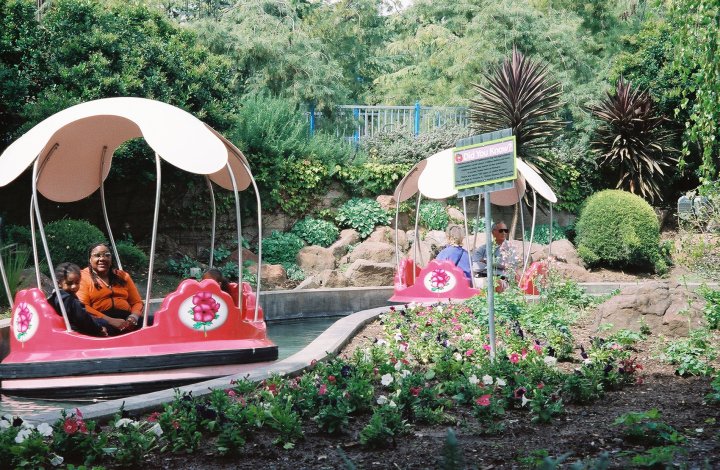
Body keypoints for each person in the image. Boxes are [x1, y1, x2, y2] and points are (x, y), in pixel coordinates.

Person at [77, 242, 144, 336]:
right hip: (101, 319)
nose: (102, 259)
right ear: (90, 259)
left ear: (111, 258)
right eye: (97, 255)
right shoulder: (83, 277)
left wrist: (133, 317)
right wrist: (110, 320)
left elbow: (137, 302)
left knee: (150, 322)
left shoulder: (123, 276)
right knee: (102, 328)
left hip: (127, 318)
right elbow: (83, 307)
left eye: (106, 255)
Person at [48, 262, 108, 337]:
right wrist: (98, 329)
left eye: (77, 283)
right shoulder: (65, 298)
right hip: (75, 331)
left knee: (101, 321)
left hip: (76, 326)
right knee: (105, 324)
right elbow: (81, 317)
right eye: (69, 283)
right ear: (58, 283)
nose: (74, 286)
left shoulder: (62, 295)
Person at [472, 221, 519, 291]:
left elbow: (511, 266)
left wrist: (487, 261)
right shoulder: (484, 247)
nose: (504, 233)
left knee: (495, 283)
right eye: (501, 230)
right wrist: (496, 264)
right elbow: (475, 260)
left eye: (505, 230)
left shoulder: (510, 248)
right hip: (483, 276)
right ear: (493, 232)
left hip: (501, 279)